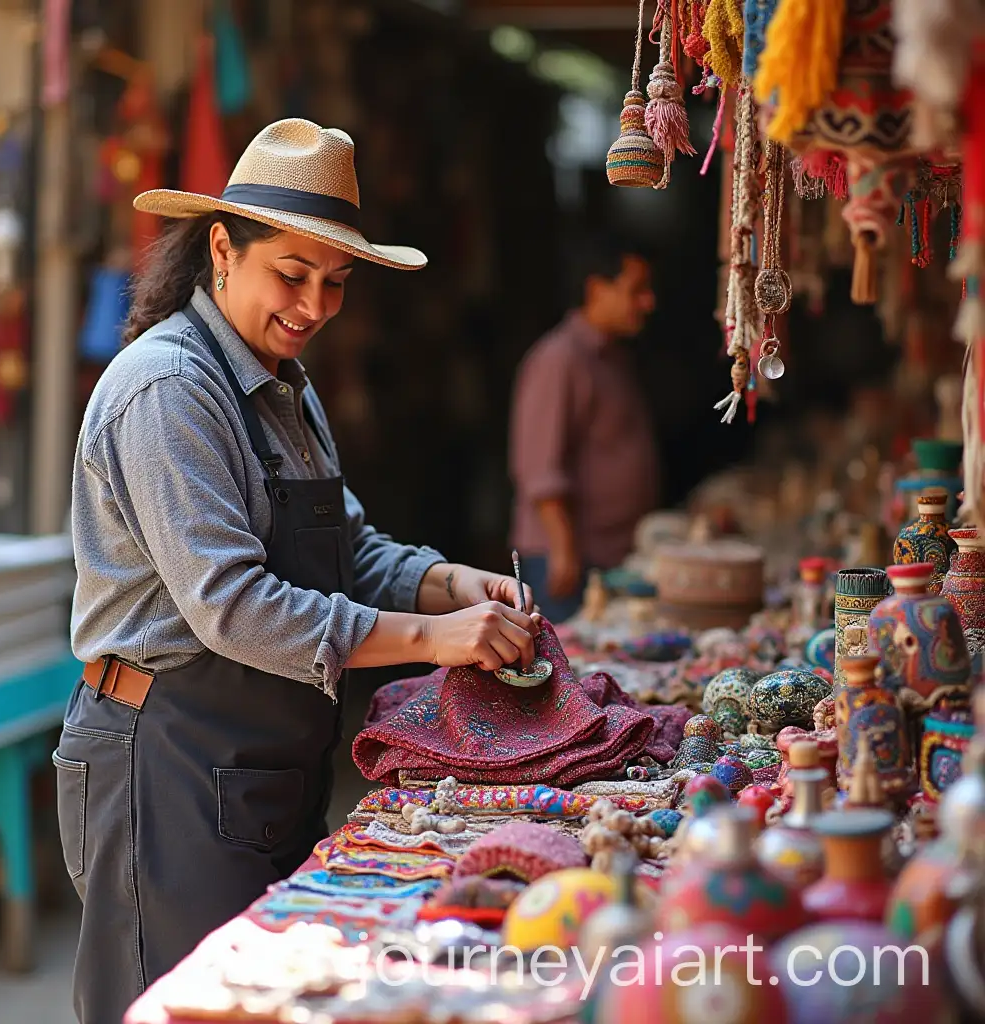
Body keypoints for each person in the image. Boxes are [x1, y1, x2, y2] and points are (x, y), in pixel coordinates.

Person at [56, 119, 540, 1024]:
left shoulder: (287, 382)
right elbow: (234, 606)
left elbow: (348, 550)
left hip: (258, 762)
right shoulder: (168, 390)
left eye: (335, 284)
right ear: (221, 251)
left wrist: (448, 584)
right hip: (165, 762)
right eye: (291, 273)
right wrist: (435, 641)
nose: (313, 305)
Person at [508, 237, 658, 623]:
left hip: (606, 552)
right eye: (636, 290)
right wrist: (563, 549)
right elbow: (539, 468)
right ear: (596, 289)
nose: (647, 302)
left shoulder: (611, 357)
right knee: (566, 673)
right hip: (565, 558)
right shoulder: (559, 360)